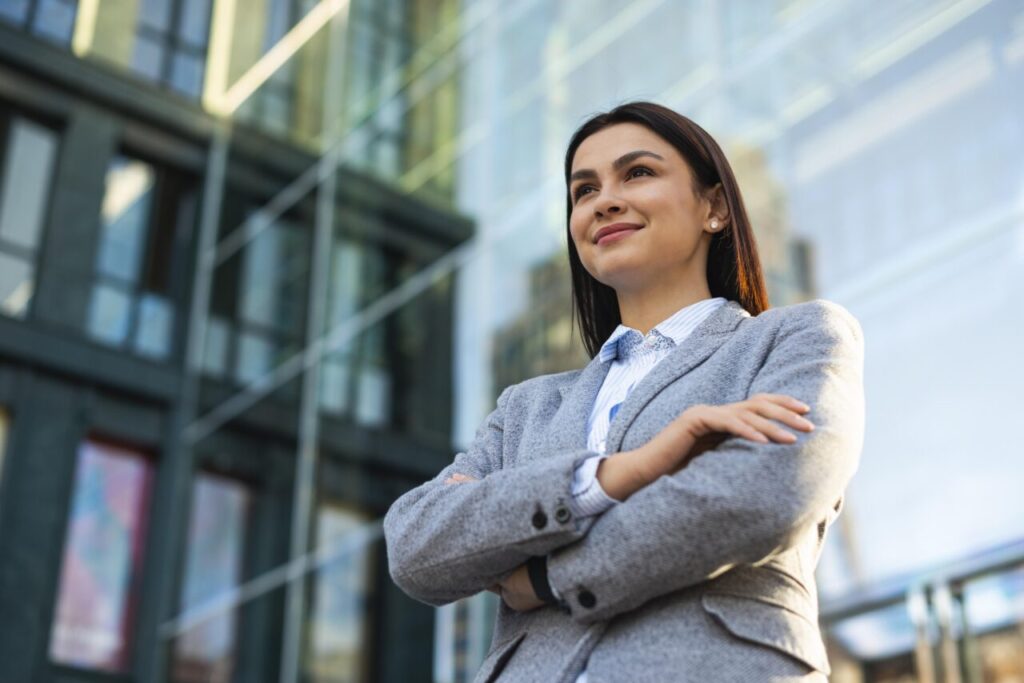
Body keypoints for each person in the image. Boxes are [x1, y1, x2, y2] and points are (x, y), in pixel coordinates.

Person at [383, 101, 865, 682]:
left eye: (638, 173)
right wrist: (613, 477)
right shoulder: (526, 407)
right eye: (584, 191)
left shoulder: (797, 337)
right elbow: (416, 546)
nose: (604, 200)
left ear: (713, 207)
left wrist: (538, 577)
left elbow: (765, 492)